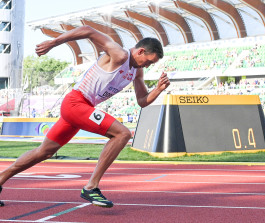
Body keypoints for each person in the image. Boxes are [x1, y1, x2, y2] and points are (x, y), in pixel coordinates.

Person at [0, 25, 170, 208]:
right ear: (141, 51)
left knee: (44, 152)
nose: (148, 65)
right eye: (149, 61)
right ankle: (91, 186)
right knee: (123, 134)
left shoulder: (137, 71)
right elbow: (89, 30)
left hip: (81, 109)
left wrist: (159, 89)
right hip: (76, 103)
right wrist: (54, 42)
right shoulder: (119, 54)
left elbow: (142, 101)